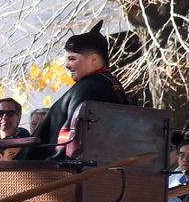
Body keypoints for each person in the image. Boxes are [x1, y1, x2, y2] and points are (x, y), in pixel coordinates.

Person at [19, 21, 130, 159]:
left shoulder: (86, 89)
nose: (67, 65)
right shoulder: (112, 85)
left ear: (93, 59)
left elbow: (66, 139)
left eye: (72, 59)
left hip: (59, 168)